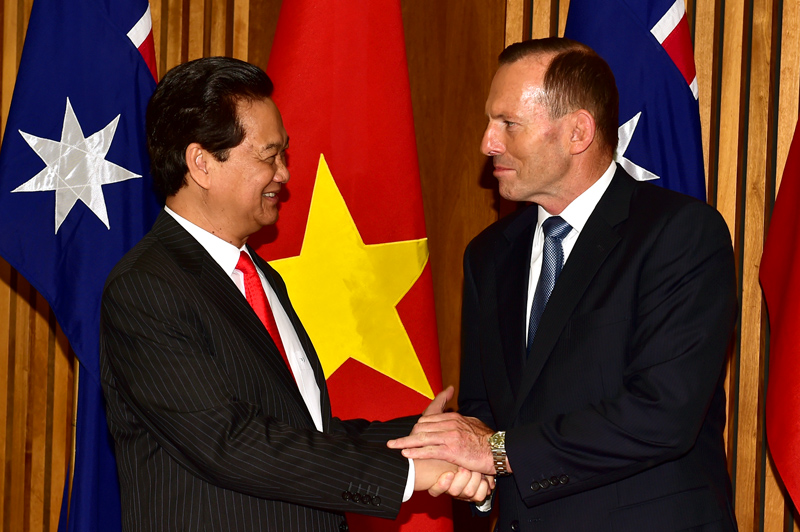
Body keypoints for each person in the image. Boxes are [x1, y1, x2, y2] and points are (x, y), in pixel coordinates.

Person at [100, 56, 488, 532]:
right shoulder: (146, 287)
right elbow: (227, 442)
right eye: (269, 156)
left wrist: (417, 438)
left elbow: (303, 433)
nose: (283, 174)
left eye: (284, 154)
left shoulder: (260, 276)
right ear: (201, 163)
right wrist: (406, 475)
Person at [388, 38, 738, 531]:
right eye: (490, 122)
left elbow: (663, 414)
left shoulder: (678, 234)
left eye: (508, 123)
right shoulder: (489, 255)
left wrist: (496, 452)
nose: (487, 142)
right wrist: (470, 473)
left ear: (577, 132)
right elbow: (487, 416)